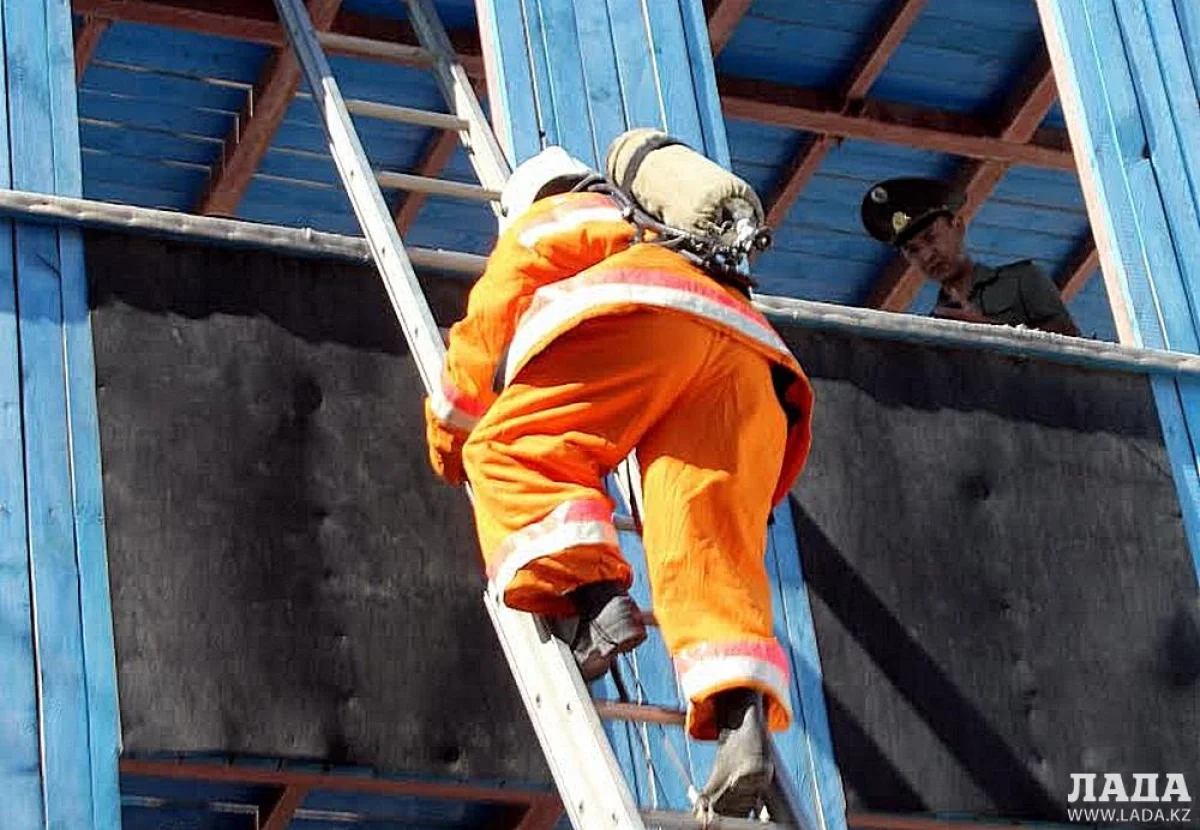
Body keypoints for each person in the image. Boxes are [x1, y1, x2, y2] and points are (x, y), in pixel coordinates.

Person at [423, 142, 814, 814]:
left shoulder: (555, 218)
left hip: (650, 316)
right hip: (754, 357)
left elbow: (489, 327)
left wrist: (450, 438)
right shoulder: (660, 227)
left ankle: (596, 606)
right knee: (705, 543)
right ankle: (737, 718)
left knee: (511, 450)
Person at [861, 177, 1081, 336]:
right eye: (913, 250)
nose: (927, 255)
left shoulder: (1022, 280)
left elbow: (1073, 348)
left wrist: (989, 331)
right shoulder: (932, 327)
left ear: (957, 227)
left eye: (930, 237)